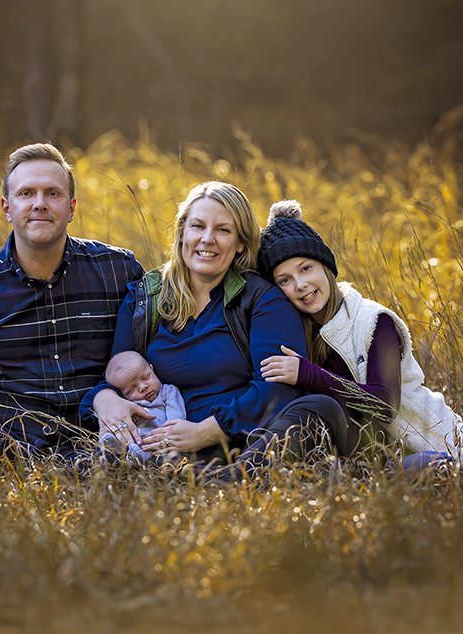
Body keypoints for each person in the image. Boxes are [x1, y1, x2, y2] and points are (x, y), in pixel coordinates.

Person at [257, 200, 463, 473]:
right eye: (285, 279)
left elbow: (385, 404)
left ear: (326, 266)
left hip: (441, 436)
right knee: (434, 471)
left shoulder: (373, 321)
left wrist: (307, 373)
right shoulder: (297, 334)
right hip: (387, 463)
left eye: (306, 268)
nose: (300, 284)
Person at [82, 182, 349, 480]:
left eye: (223, 230)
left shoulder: (262, 298)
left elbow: (279, 389)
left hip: (249, 442)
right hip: (166, 445)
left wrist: (205, 431)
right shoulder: (146, 298)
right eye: (197, 226)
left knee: (319, 409)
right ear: (182, 232)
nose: (207, 239)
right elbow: (117, 375)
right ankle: (204, 479)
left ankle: (225, 481)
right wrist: (103, 399)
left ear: (240, 244)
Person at [0, 143, 144, 456]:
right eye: (26, 194)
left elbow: (157, 357)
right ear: (7, 209)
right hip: (5, 454)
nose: (40, 204)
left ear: (72, 207)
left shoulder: (119, 271)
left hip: (105, 445)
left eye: (52, 193)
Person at [99, 350, 185, 461]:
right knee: (120, 433)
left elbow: (176, 413)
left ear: (151, 368)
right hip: (132, 437)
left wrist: (169, 432)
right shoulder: (128, 402)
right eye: (131, 389)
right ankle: (113, 444)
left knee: (148, 448)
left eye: (145, 378)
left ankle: (137, 457)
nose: (143, 387)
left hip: (159, 437)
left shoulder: (167, 391)